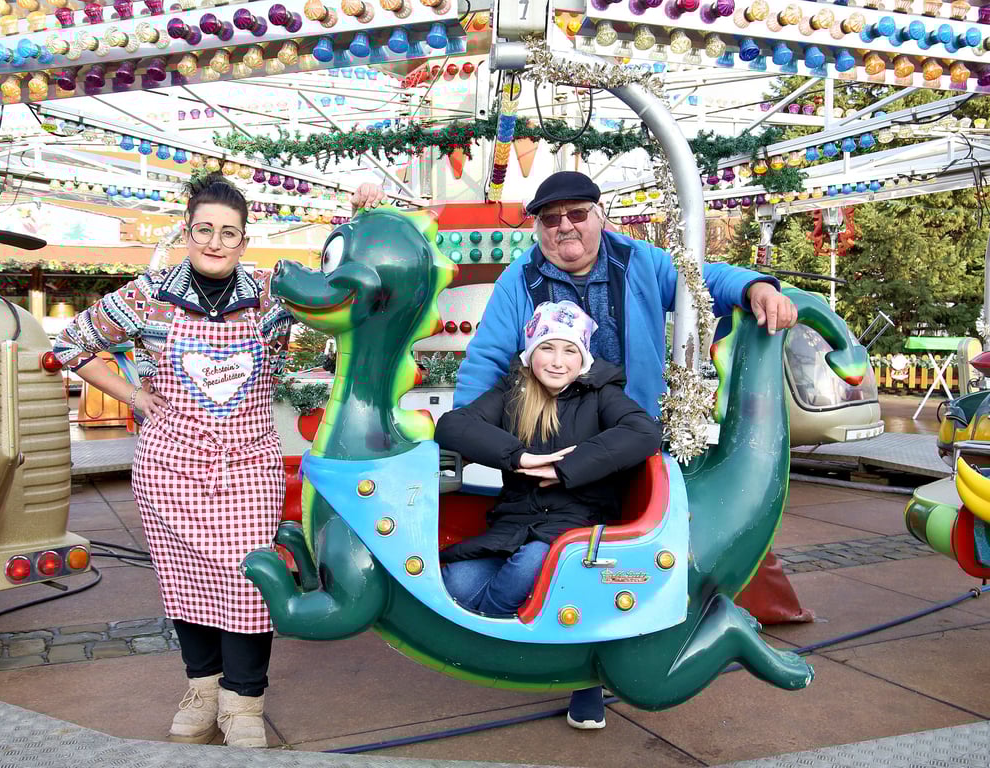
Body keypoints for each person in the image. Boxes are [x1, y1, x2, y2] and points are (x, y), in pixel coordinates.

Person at [352, 171, 800, 727]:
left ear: (599, 215)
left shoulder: (639, 262)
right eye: (550, 217)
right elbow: (487, 362)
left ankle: (588, 671)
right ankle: (559, 654)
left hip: (618, 444)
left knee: (618, 558)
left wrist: (757, 285)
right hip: (543, 444)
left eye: (577, 214)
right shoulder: (522, 281)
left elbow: (703, 280)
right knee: (500, 567)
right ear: (538, 228)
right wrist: (495, 447)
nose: (565, 226)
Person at [54, 173, 293, 749]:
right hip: (170, 466)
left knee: (248, 583)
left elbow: (349, 294)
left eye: (228, 233)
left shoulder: (272, 294)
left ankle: (243, 701)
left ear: (244, 240)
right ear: (187, 232)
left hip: (247, 462)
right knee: (185, 582)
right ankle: (202, 689)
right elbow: (70, 344)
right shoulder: (148, 294)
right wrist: (134, 395)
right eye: (204, 229)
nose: (215, 242)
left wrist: (358, 216)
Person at [434, 300, 661, 729]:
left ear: (583, 357)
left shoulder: (602, 395)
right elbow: (452, 426)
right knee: (456, 584)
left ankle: (532, 658)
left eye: (569, 351)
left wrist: (565, 468)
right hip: (515, 525)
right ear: (531, 353)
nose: (557, 361)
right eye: (547, 349)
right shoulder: (512, 392)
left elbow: (644, 432)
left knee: (543, 561)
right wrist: (518, 458)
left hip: (577, 526)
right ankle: (520, 635)